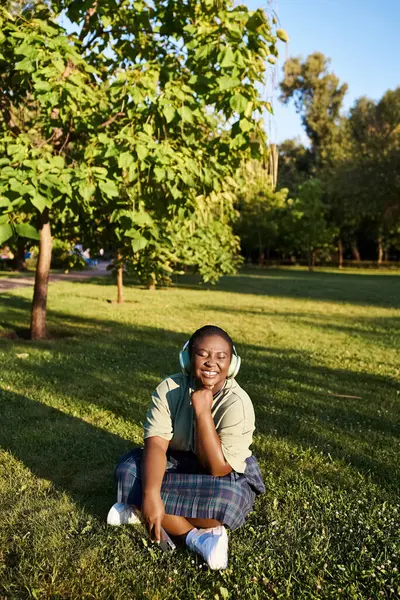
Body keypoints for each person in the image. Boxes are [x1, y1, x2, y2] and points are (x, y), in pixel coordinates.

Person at [107, 325, 265, 570]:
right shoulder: (169, 389)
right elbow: (157, 446)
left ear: (232, 364)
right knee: (127, 472)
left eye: (221, 357)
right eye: (203, 354)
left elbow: (218, 468)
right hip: (174, 461)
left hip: (221, 470)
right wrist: (150, 496)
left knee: (229, 501)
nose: (211, 362)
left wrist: (203, 412)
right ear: (187, 358)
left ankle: (137, 508)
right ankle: (196, 535)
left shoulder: (238, 403)